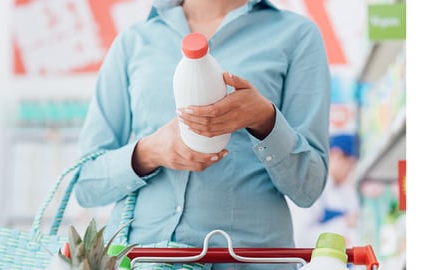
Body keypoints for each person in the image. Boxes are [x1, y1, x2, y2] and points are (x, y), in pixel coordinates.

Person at [74, 0, 331, 269]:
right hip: (141, 261)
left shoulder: (296, 35)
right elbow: (84, 184)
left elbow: (308, 188)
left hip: (246, 262)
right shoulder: (134, 40)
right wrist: (148, 152)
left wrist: (264, 120)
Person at [289, 134, 361, 249]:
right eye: (350, 164)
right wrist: (343, 223)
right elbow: (301, 239)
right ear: (336, 155)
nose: (350, 170)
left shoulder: (348, 193)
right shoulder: (312, 186)